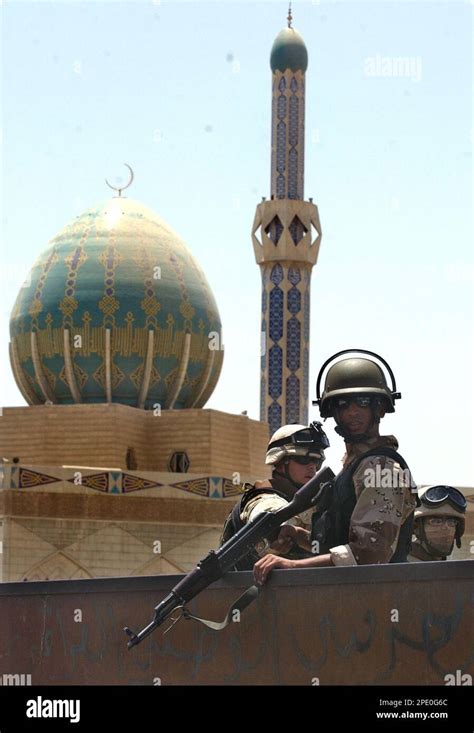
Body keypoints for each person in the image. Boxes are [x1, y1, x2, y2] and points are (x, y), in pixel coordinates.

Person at [253, 349, 417, 584]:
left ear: (379, 408)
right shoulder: (353, 469)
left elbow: (369, 553)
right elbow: (339, 547)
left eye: (362, 402)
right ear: (332, 412)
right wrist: (300, 537)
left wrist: (293, 566)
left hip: (375, 604)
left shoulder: (381, 470)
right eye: (343, 403)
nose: (352, 411)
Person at [220, 421, 329, 569]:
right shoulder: (262, 498)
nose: (312, 466)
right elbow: (268, 514)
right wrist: (281, 532)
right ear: (280, 461)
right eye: (302, 459)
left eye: (316, 461)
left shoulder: (311, 501)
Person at [409, 485, 466, 561]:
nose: (446, 527)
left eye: (452, 522)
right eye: (436, 521)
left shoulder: (449, 567)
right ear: (416, 527)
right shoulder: (401, 566)